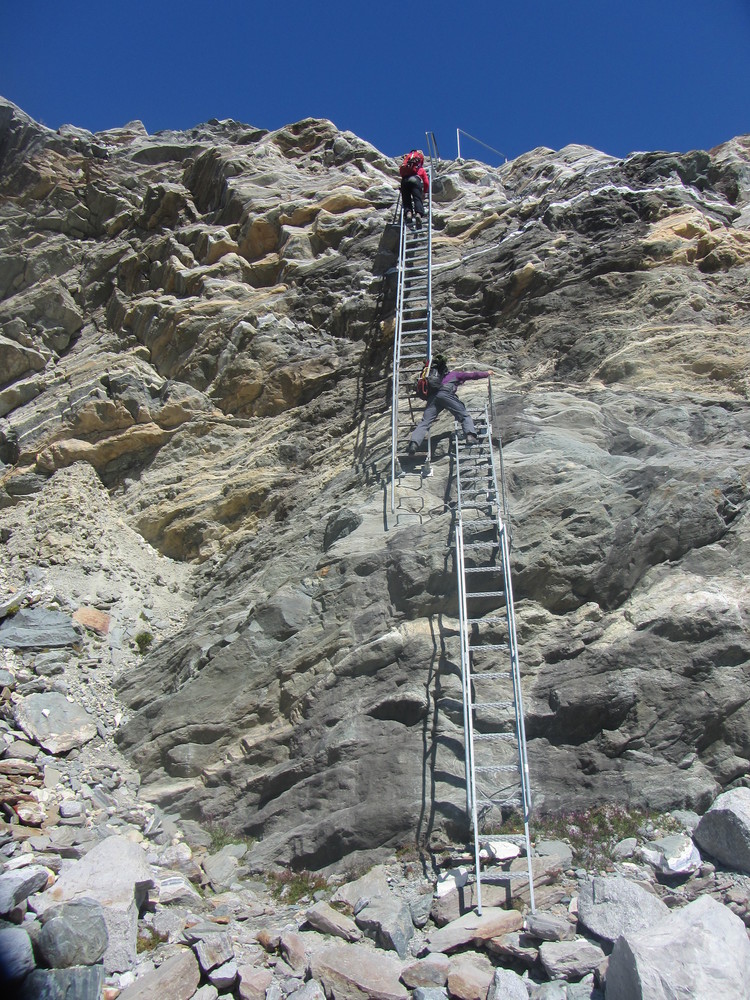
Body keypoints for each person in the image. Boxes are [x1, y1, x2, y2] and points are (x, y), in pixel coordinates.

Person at [407, 353, 492, 454]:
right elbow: (472, 375)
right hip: (446, 395)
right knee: (464, 415)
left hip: (432, 398)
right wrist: (487, 373)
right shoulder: (454, 375)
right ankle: (470, 435)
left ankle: (414, 443)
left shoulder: (432, 378)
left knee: (425, 422)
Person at [399, 150, 429, 229]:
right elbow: (426, 182)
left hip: (404, 181)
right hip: (415, 180)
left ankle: (408, 213)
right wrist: (424, 192)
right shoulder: (421, 169)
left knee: (406, 199)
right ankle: (418, 214)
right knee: (417, 199)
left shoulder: (408, 165)